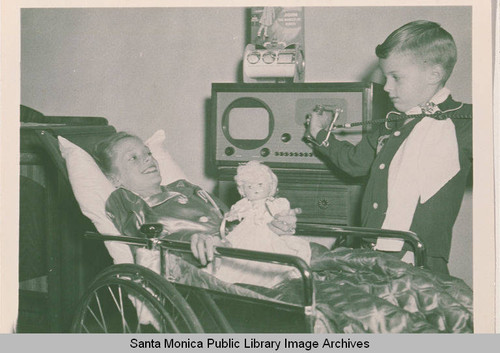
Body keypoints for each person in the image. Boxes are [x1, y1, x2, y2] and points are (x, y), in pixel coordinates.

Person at [306, 20, 472, 274]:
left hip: (421, 261)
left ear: (434, 75)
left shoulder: (465, 121)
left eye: (396, 77)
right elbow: (355, 163)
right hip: (370, 254)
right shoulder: (392, 122)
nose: (387, 87)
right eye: (386, 77)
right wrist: (320, 135)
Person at [92, 132, 301, 268]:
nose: (148, 158)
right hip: (208, 267)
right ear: (114, 179)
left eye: (147, 153)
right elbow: (146, 245)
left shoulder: (184, 187)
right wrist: (189, 243)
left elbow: (231, 223)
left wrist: (269, 226)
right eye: (133, 158)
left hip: (240, 251)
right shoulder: (126, 201)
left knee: (319, 259)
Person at [211, 161, 311, 286]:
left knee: (270, 257)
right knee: (236, 258)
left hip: (267, 233)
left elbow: (281, 217)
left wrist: (283, 217)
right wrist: (231, 217)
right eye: (249, 186)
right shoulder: (243, 205)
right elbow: (231, 218)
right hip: (245, 232)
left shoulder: (275, 203)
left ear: (271, 186)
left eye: (260, 184)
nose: (256, 189)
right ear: (242, 189)